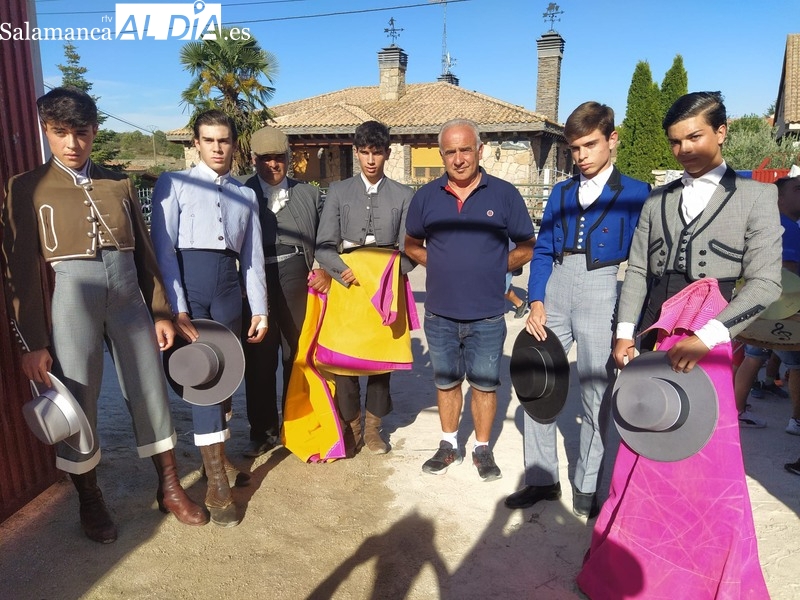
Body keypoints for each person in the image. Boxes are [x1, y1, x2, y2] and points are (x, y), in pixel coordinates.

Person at [578, 92, 781, 598]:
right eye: (676, 141)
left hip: (711, 341)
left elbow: (766, 284)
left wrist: (708, 337)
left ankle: (696, 578)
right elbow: (642, 271)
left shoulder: (757, 197)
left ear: (722, 132)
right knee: (640, 445)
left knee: (703, 462)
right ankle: (625, 567)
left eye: (695, 136)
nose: (684, 149)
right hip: (655, 334)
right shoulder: (658, 201)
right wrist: (625, 333)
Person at [1, 87, 207, 543]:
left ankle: (170, 487)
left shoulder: (118, 182)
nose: (71, 144)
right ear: (45, 131)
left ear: (94, 131)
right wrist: (32, 341)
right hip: (72, 297)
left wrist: (160, 311)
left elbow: (145, 254)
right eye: (60, 133)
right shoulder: (25, 186)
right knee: (79, 398)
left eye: (81, 133)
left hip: (129, 298)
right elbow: (17, 270)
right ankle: (89, 499)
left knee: (150, 388)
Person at [504, 101, 650, 517]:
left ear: (611, 140)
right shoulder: (561, 191)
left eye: (589, 144)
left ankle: (587, 487)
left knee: (595, 393)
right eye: (574, 148)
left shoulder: (638, 192)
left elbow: (643, 261)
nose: (581, 155)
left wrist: (632, 322)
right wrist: (535, 300)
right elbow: (544, 248)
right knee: (536, 382)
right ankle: (541, 478)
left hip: (604, 286)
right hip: (556, 286)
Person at [150, 109, 267, 527]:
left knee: (226, 376)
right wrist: (176, 306)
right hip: (191, 288)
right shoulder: (174, 182)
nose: (218, 148)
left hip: (227, 291)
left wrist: (261, 309)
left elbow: (252, 257)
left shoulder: (246, 194)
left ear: (234, 144)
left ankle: (219, 456)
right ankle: (216, 482)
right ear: (196, 144)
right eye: (210, 140)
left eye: (225, 140)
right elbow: (163, 251)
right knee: (202, 381)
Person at [405, 118, 536, 481]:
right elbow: (412, 244)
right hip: (441, 313)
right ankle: (448, 445)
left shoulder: (504, 195)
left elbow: (527, 244)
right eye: (451, 151)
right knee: (446, 382)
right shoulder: (426, 197)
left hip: (488, 314)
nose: (459, 158)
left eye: (466, 149)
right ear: (442, 154)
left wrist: (498, 265)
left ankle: (482, 448)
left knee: (484, 384)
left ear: (480, 150)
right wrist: (441, 262)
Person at [312, 120, 414, 455]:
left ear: (387, 153)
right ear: (356, 152)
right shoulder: (339, 191)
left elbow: (409, 252)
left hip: (385, 289)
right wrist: (341, 270)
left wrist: (387, 272)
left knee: (381, 364)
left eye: (377, 153)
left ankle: (373, 430)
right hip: (347, 287)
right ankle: (352, 426)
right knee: (345, 363)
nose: (371, 160)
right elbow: (324, 246)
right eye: (365, 152)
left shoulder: (403, 195)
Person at [240, 126, 324, 458]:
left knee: (296, 353)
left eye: (279, 158)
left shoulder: (309, 194)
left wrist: (323, 268)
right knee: (259, 358)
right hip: (254, 279)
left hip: (296, 275)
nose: (273, 165)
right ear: (253, 159)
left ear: (288, 159)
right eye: (265, 159)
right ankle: (261, 430)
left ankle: (295, 423)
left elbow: (325, 239)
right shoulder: (240, 192)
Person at [733, 172, 800, 430]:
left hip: (759, 306)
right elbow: (790, 273)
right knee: (796, 363)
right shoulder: (789, 228)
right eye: (797, 189)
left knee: (753, 355)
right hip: (783, 308)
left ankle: (737, 410)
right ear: (779, 197)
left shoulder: (768, 223)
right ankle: (796, 419)